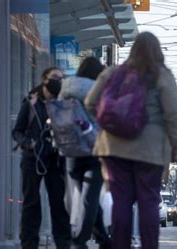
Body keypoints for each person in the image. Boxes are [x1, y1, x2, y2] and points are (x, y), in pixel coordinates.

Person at [85, 32, 177, 249]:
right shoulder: (162, 75)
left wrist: (109, 128)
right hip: (150, 150)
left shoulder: (113, 73)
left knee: (121, 200)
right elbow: (174, 113)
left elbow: (91, 103)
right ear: (157, 51)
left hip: (113, 148)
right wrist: (173, 141)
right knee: (148, 201)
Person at [12, 67, 71, 249]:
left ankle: (63, 243)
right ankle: (29, 244)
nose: (59, 81)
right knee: (31, 202)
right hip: (33, 158)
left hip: (56, 159)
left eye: (62, 78)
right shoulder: (31, 102)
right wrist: (28, 143)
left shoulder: (64, 103)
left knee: (58, 203)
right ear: (44, 79)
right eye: (55, 78)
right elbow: (17, 131)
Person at [57, 57, 111, 249]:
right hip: (93, 150)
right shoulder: (98, 92)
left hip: (70, 150)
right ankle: (79, 241)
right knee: (90, 199)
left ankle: (104, 240)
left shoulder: (65, 90)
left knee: (87, 197)